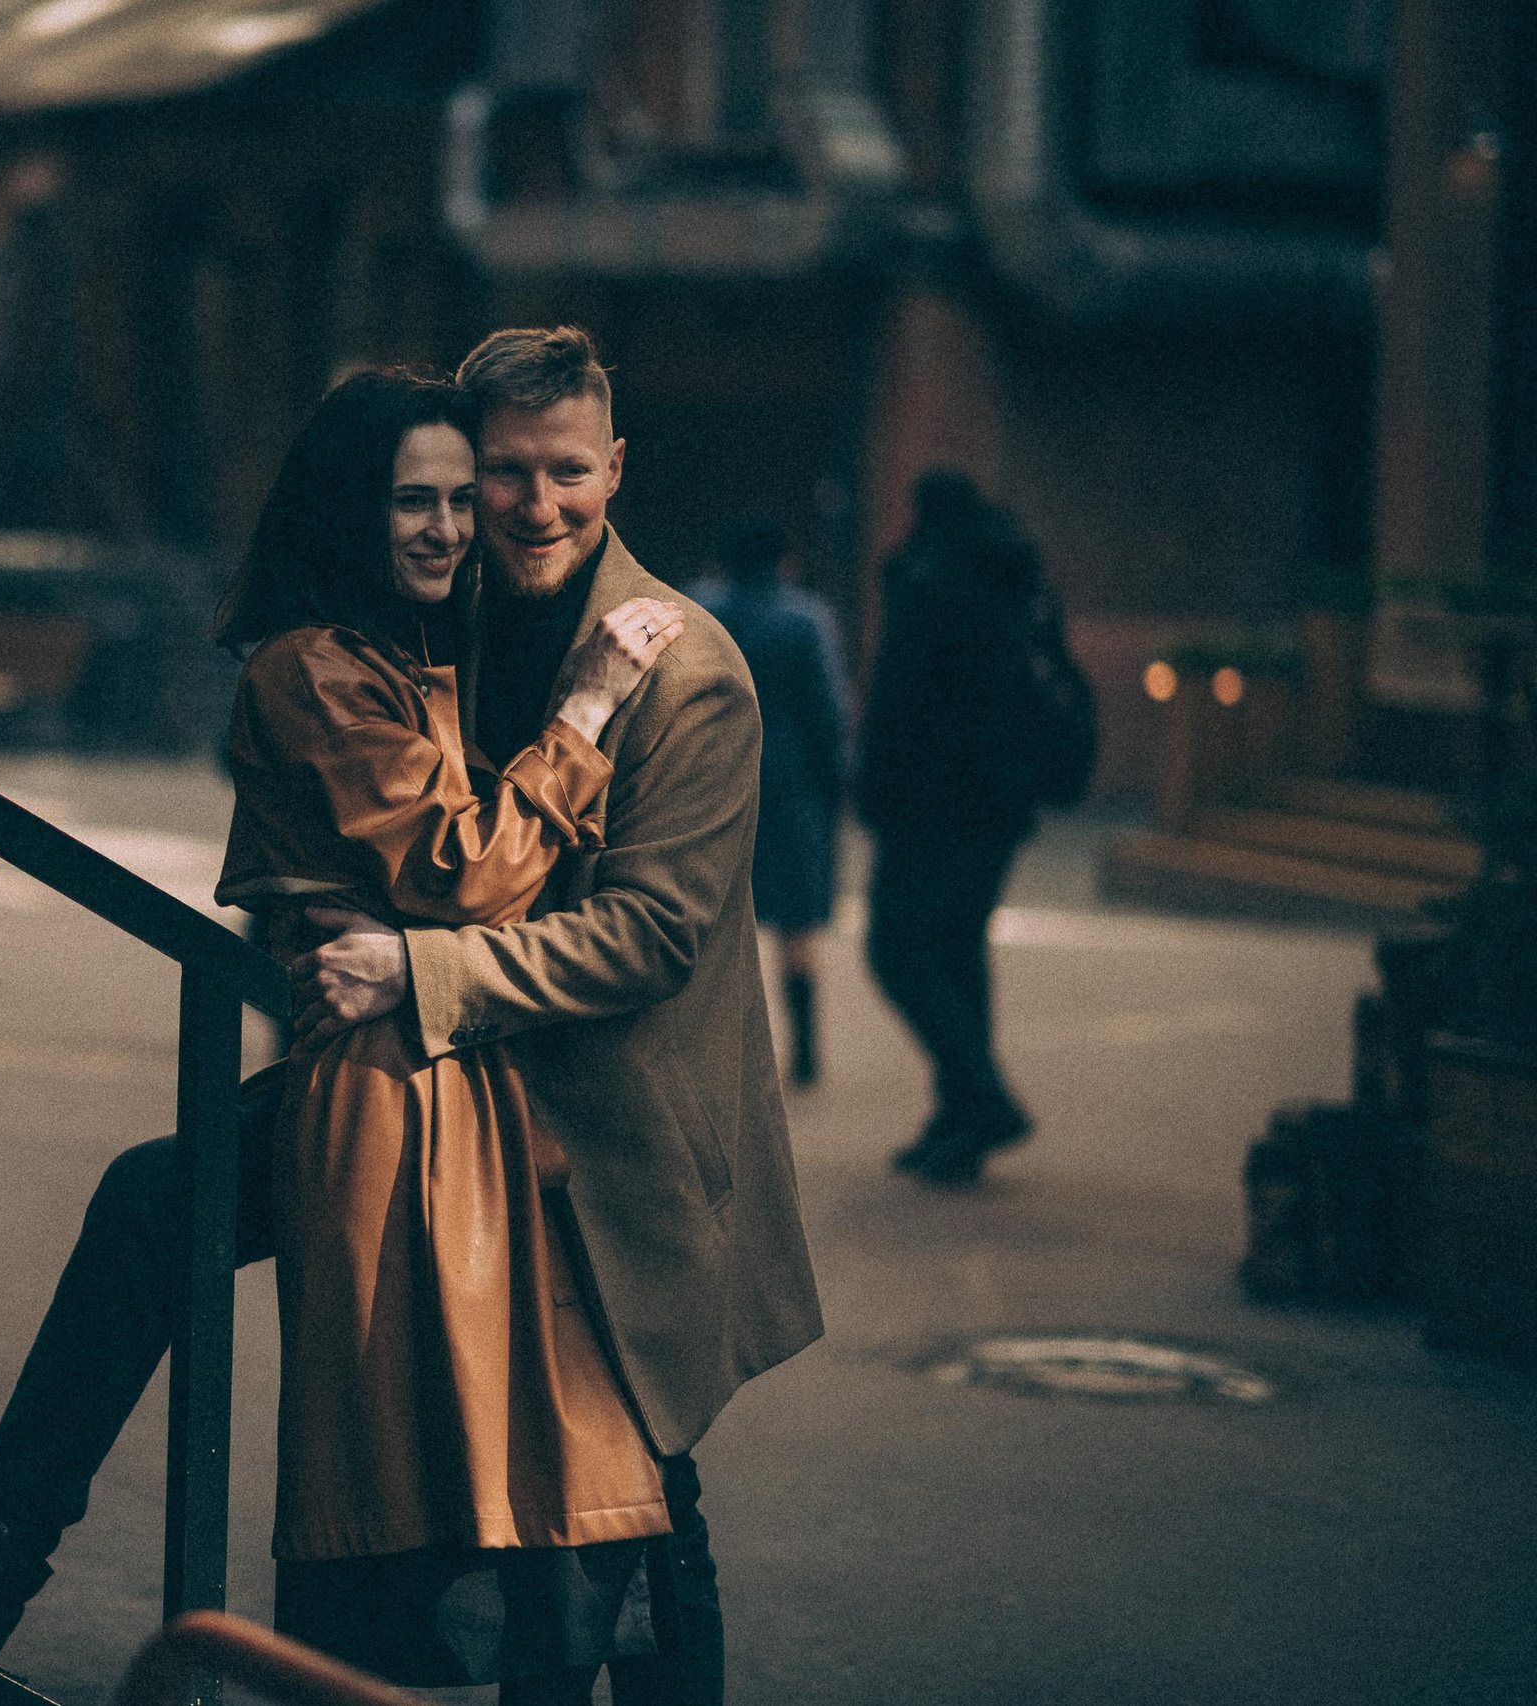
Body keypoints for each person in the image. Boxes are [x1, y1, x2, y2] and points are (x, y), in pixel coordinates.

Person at [0, 331, 823, 1704]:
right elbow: (356, 807)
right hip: (442, 1094)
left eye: (562, 471)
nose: (522, 506)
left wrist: (416, 970)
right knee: (160, 1201)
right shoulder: (453, 617)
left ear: (615, 467)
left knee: (631, 1497)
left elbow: (649, 933)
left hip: (599, 1126)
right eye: (492, 475)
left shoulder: (680, 670)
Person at [209, 367, 689, 1696]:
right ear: (344, 514)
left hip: (465, 1082)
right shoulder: (315, 666)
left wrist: (416, 960)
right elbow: (463, 867)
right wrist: (586, 711)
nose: (445, 526)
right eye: (407, 501)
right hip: (392, 1098)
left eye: (451, 497)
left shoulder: (423, 655)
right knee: (450, 1459)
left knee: (544, 1460)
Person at [856, 469, 1058, 1186]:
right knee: (958, 950)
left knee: (896, 950)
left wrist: (873, 786)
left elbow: (899, 694)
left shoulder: (927, 578)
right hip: (1002, 798)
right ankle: (960, 1121)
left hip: (929, 801)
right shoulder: (1020, 575)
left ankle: (983, 1097)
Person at [686, 520, 852, 1086]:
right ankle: (804, 1051)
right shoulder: (805, 619)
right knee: (797, 923)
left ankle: (719, 1050)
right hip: (791, 789)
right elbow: (828, 713)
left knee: (718, 917)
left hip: (711, 783)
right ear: (785, 558)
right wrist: (839, 782)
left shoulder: (698, 609)